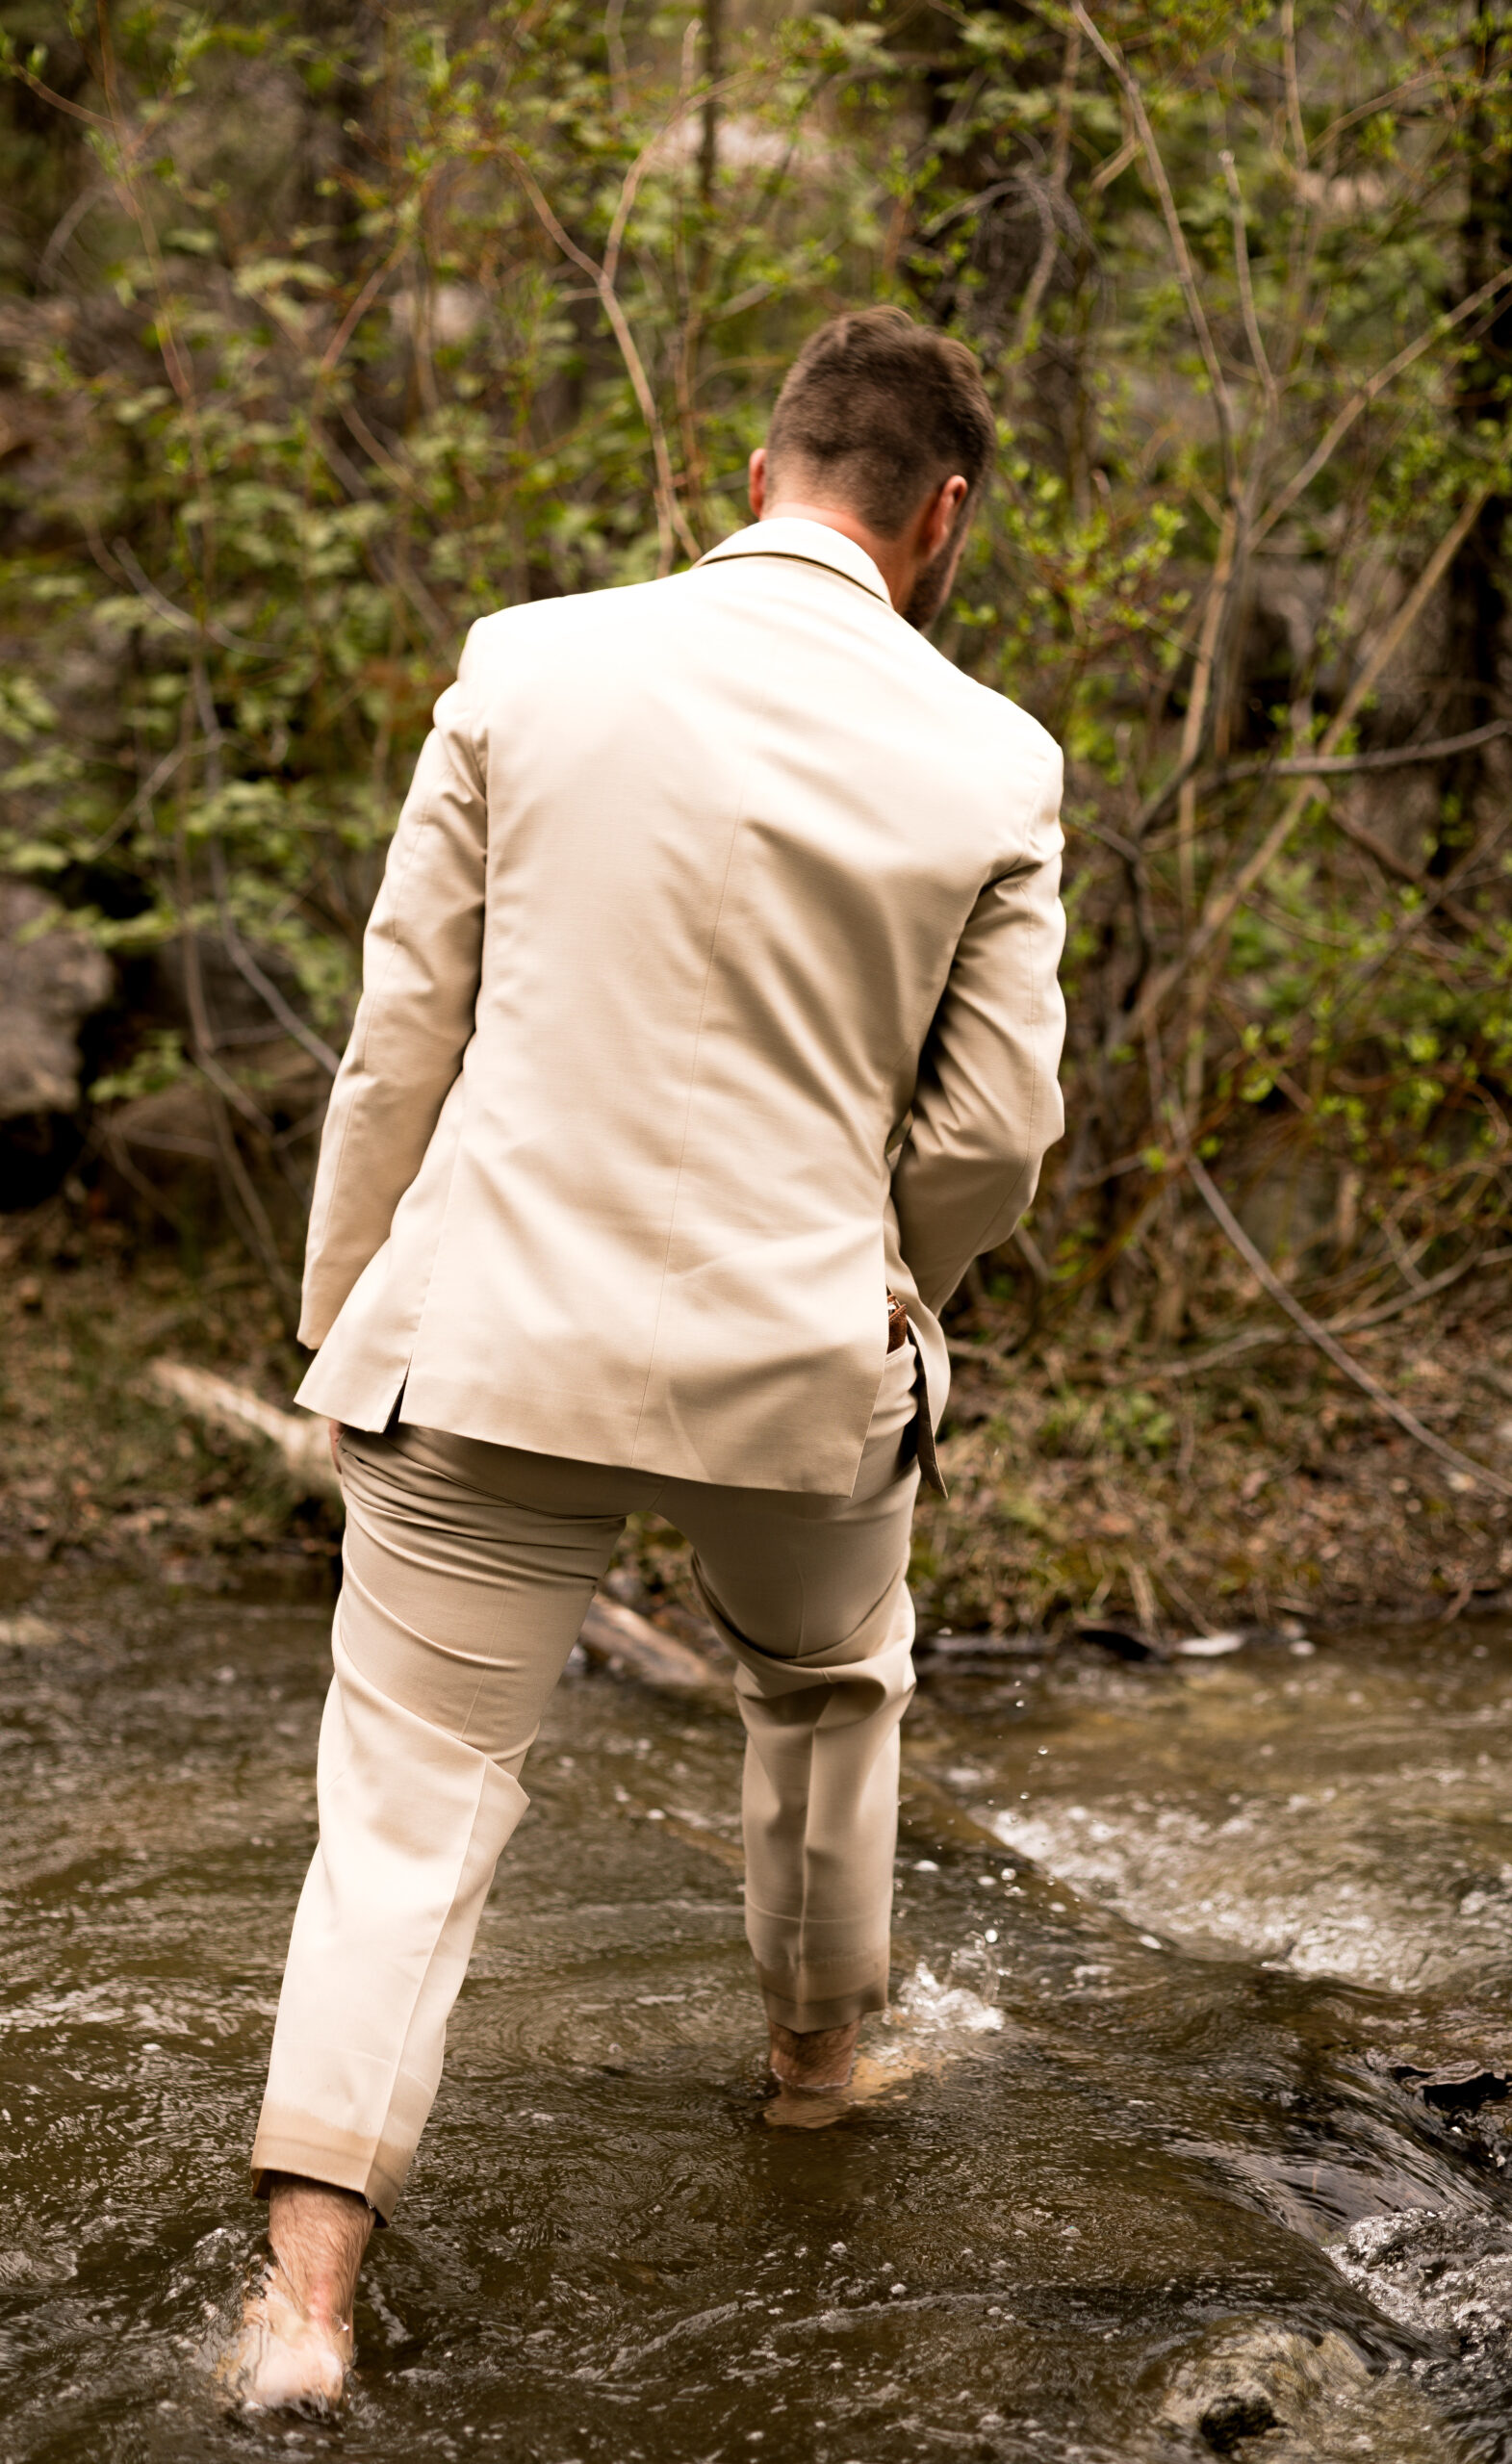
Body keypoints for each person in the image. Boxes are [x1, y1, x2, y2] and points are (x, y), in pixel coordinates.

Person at [225, 306, 1066, 2410]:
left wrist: (343, 1318)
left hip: (489, 1339)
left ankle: (300, 2314)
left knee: (407, 1809)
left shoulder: (528, 659)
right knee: (821, 1687)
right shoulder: (990, 756)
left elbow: (400, 1023)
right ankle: (812, 2065)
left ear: (759, 461)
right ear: (937, 512)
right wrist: (899, 1281)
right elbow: (993, 1137)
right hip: (797, 1362)